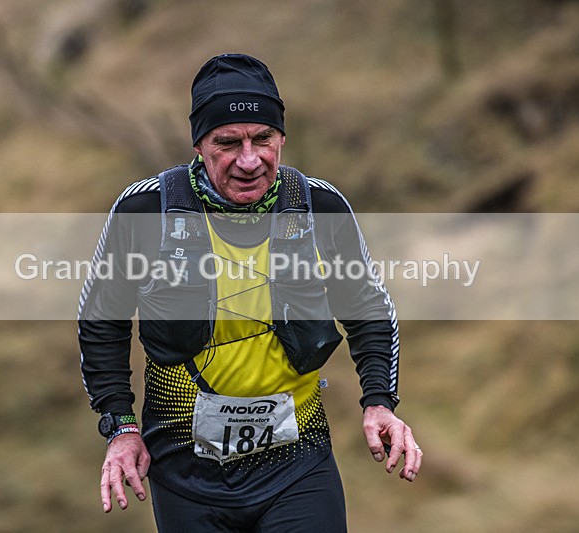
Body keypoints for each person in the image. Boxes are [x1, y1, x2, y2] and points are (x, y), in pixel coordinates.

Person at [78, 53, 422, 533]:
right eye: (227, 142)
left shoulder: (318, 207)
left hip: (296, 463)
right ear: (198, 144)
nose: (249, 159)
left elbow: (368, 309)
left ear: (282, 138)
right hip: (183, 468)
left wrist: (379, 401)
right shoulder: (145, 210)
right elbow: (101, 321)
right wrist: (120, 426)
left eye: (263, 138)